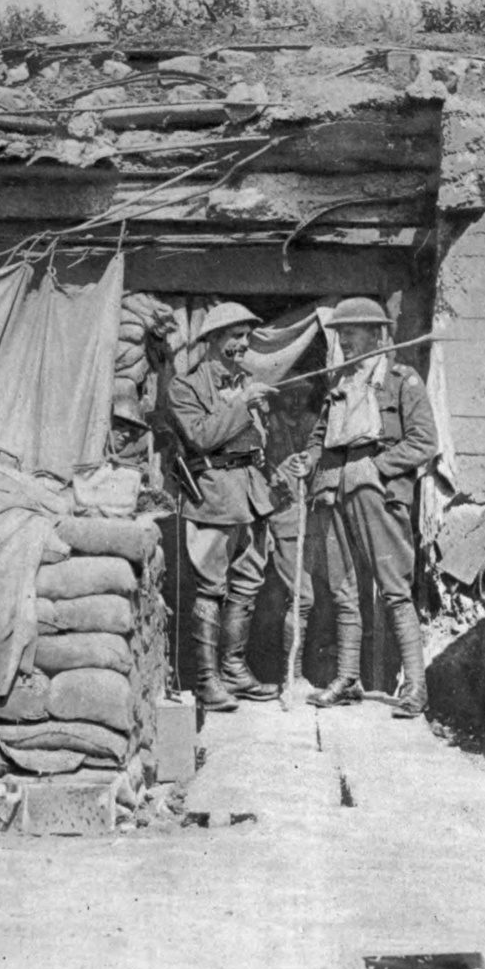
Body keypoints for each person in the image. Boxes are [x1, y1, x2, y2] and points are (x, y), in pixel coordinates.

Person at [289, 297, 438, 718]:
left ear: (378, 334)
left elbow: (424, 442)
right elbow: (320, 435)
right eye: (340, 332)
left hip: (376, 490)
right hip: (332, 489)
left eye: (353, 331)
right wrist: (310, 458)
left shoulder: (402, 381)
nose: (345, 340)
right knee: (341, 589)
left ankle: (415, 687)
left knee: (394, 588)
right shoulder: (339, 382)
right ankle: (348, 678)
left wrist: (376, 467)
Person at [167, 302, 279, 712]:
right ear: (211, 340)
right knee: (210, 588)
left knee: (248, 583)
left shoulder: (243, 380)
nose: (242, 345)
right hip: (212, 496)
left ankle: (233, 672)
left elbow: (256, 440)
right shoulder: (186, 387)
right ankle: (207, 681)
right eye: (234, 336)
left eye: (246, 337)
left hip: (249, 494)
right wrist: (242, 404)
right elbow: (200, 437)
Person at [265, 377, 318, 691]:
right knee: (301, 598)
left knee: (310, 598)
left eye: (302, 395)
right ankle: (292, 675)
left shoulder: (313, 424)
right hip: (282, 517)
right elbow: (263, 470)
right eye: (290, 396)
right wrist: (281, 471)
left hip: (312, 519)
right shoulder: (269, 426)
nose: (296, 402)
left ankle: (297, 673)